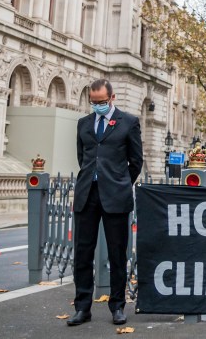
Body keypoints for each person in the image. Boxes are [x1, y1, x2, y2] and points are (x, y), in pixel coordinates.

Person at [68, 79, 143, 327]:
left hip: (116, 197)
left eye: (101, 101)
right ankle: (82, 308)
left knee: (117, 254)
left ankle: (118, 306)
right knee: (82, 254)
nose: (97, 106)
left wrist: (121, 182)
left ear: (112, 98)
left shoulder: (129, 123)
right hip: (87, 194)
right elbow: (83, 158)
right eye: (93, 102)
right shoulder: (83, 124)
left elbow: (136, 162)